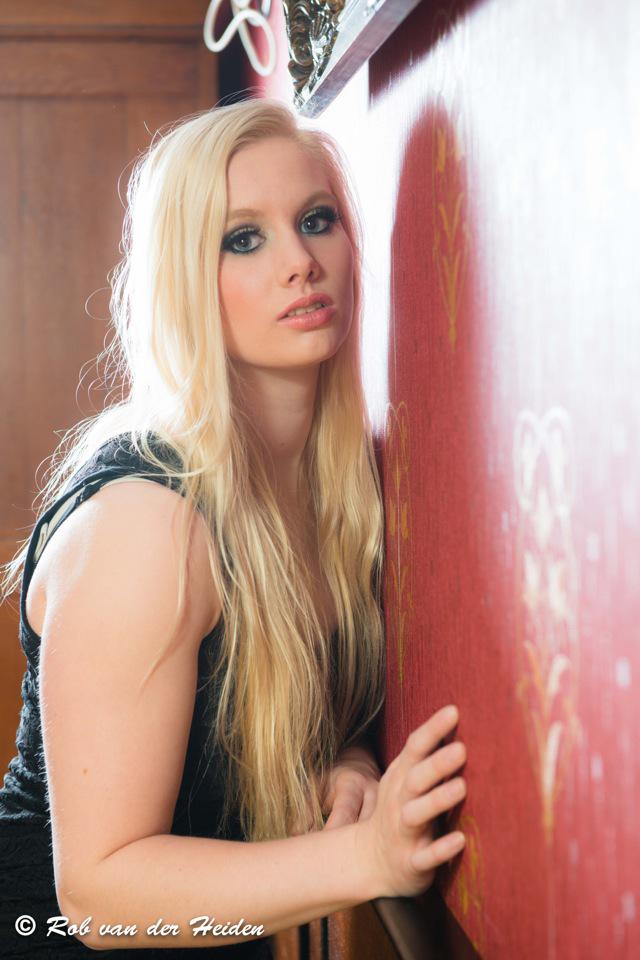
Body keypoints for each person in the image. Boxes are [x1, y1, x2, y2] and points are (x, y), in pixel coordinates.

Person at [0, 97, 467, 957]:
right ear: (183, 276)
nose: (300, 263)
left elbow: (273, 730)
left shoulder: (338, 489)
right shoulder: (148, 523)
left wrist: (349, 763)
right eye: (242, 238)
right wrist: (365, 856)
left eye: (316, 221)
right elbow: (98, 895)